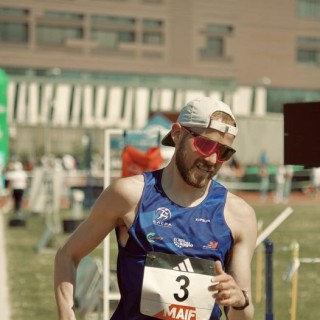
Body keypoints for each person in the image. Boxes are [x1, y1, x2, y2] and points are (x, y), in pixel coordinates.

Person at [54, 97, 257, 320]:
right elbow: (67, 255)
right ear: (178, 134)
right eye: (205, 144)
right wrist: (67, 314)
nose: (211, 159)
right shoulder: (129, 195)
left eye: (223, 152)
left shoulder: (239, 215)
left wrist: (240, 300)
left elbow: (243, 315)